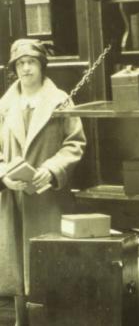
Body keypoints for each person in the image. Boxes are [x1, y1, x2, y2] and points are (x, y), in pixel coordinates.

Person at [0, 38, 86, 325]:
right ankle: (21, 320)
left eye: (31, 62)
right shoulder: (4, 105)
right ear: (14, 69)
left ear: (41, 65)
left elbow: (75, 144)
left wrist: (50, 170)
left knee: (51, 266)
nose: (26, 69)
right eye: (20, 64)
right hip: (13, 199)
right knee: (17, 271)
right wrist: (4, 176)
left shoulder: (60, 100)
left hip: (48, 198)